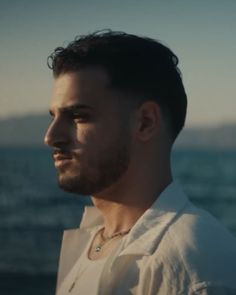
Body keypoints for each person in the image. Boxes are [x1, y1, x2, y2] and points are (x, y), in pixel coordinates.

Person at [44, 30, 236, 295]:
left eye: (78, 116)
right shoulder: (96, 238)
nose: (50, 137)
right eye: (53, 116)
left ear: (145, 122)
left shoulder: (194, 269)